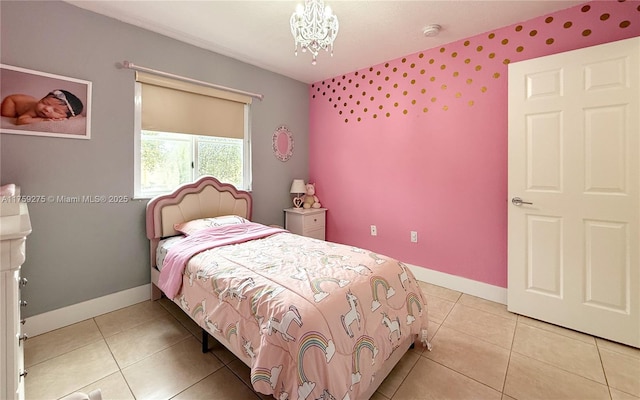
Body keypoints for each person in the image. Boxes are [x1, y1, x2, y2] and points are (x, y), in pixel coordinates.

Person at [0, 89, 83, 125]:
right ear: (41, 99)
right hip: (12, 101)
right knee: (7, 115)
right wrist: (42, 120)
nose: (47, 108)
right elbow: (21, 121)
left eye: (56, 111)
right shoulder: (34, 110)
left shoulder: (68, 117)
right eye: (44, 102)